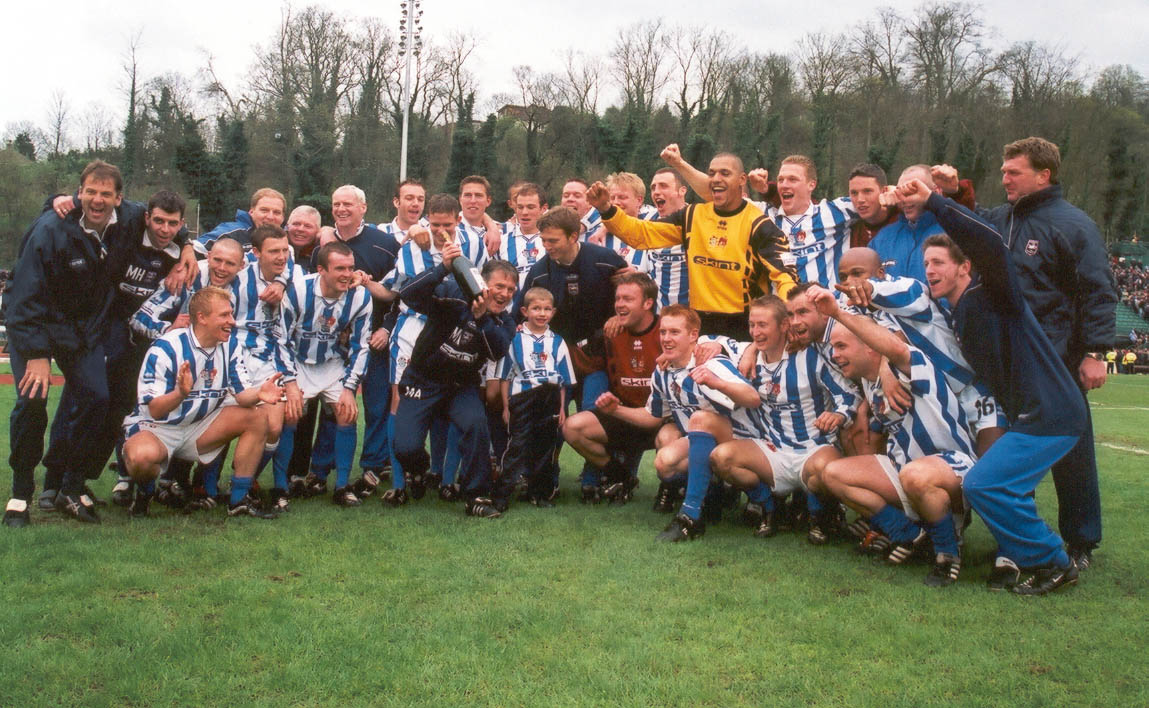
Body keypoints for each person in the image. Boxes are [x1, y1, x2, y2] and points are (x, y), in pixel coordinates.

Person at [895, 178, 1089, 594]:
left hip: (1052, 412)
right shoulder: (959, 312)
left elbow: (990, 244)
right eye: (925, 264)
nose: (929, 271)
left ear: (965, 267)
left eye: (940, 263)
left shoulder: (994, 292)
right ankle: (1034, 559)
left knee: (985, 484)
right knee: (994, 486)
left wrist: (936, 201)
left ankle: (1054, 561)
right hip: (1031, 415)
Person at [933, 138, 1117, 570]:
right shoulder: (1003, 218)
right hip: (1007, 358)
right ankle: (1016, 540)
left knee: (1072, 453)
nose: (1005, 178)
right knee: (1013, 450)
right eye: (1002, 171)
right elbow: (971, 228)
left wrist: (1095, 351)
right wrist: (955, 192)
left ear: (1043, 175)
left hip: (1057, 358)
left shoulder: (1073, 224)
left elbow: (1098, 289)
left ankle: (1080, 542)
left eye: (1013, 172)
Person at [812, 284, 978, 587]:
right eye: (834, 348)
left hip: (955, 469)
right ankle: (909, 534)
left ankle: (947, 554)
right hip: (908, 473)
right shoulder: (871, 381)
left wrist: (836, 312)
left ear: (870, 346)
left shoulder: (912, 363)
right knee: (833, 473)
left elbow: (896, 348)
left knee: (915, 474)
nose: (836, 356)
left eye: (842, 347)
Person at [5, 161, 128, 525]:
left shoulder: (126, 221)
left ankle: (70, 486)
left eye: (106, 193)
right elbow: (23, 299)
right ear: (78, 192)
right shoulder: (49, 229)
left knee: (98, 398)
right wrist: (37, 354)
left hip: (80, 332)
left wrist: (186, 246)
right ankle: (20, 493)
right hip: (34, 326)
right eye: (90, 191)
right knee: (32, 401)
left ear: (119, 198)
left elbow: (162, 217)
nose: (98, 199)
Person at [589, 149, 797, 338]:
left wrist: (790, 319)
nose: (716, 179)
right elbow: (642, 235)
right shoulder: (692, 215)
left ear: (742, 179)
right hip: (699, 323)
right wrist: (607, 209)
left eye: (725, 173)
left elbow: (785, 278)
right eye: (712, 173)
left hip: (743, 326)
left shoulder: (759, 224)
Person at [119, 287, 283, 519]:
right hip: (158, 429)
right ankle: (145, 494)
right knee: (140, 458)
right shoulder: (166, 348)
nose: (232, 322)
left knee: (257, 416)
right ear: (202, 318)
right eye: (224, 315)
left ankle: (239, 501)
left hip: (198, 427)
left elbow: (242, 395)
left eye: (231, 314)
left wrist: (260, 394)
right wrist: (180, 393)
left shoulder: (230, 346)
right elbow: (154, 410)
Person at [711, 295, 858, 542]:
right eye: (751, 325)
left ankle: (820, 514)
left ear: (783, 326)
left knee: (827, 469)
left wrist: (838, 414)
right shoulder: (750, 359)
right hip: (773, 450)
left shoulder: (811, 356)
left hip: (814, 448)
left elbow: (849, 394)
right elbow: (708, 339)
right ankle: (770, 507)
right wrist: (745, 350)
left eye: (762, 325)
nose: (755, 332)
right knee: (721, 458)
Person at [836, 247, 1006, 456]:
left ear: (880, 273)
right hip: (935, 405)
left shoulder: (909, 288)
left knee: (994, 468)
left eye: (857, 273)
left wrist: (885, 369)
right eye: (843, 277)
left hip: (969, 392)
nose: (849, 281)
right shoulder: (856, 309)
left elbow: (896, 337)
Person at [391, 249, 518, 518]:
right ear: (482, 283)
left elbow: (497, 351)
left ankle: (476, 496)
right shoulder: (452, 294)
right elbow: (409, 294)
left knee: (475, 424)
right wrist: (443, 268)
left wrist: (483, 317)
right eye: (499, 286)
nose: (505, 294)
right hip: (423, 380)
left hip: (462, 385)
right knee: (405, 447)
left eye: (511, 289)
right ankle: (418, 470)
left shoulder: (505, 320)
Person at [642, 306, 762, 542]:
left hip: (745, 441)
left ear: (693, 335)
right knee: (664, 463)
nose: (666, 338)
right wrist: (613, 410)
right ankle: (714, 492)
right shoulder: (663, 370)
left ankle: (691, 515)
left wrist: (716, 383)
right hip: (704, 438)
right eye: (663, 332)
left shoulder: (712, 362)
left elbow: (753, 398)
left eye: (674, 332)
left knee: (700, 419)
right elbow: (652, 415)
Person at [273, 242, 373, 507]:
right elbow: (280, 339)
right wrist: (290, 383)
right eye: (339, 268)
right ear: (321, 270)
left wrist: (350, 389)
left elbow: (362, 345)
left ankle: (342, 485)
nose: (347, 274)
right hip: (298, 362)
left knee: (346, 413)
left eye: (351, 268)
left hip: (331, 363)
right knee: (290, 415)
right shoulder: (297, 291)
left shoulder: (360, 296)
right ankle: (281, 487)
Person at [319, 185, 401, 501]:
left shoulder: (385, 245)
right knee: (335, 406)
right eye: (336, 204)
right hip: (337, 345)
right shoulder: (324, 246)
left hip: (377, 339)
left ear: (363, 208)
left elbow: (402, 292)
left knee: (377, 405)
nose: (341, 209)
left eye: (348, 204)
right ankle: (322, 469)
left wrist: (388, 329)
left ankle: (372, 465)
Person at [563, 272, 666, 504]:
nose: (619, 304)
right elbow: (580, 358)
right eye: (618, 299)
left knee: (672, 445)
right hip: (625, 415)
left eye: (628, 299)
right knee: (573, 428)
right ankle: (620, 476)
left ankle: (672, 488)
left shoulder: (667, 331)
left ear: (648, 303)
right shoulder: (611, 333)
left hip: (662, 420)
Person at [519, 207, 627, 412]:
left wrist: (620, 317)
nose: (547, 246)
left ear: (573, 236)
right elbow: (521, 315)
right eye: (544, 240)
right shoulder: (539, 272)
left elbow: (635, 296)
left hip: (599, 357)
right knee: (551, 419)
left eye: (553, 240)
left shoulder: (604, 259)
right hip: (559, 358)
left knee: (591, 412)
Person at [496, 287, 576, 507]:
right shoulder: (516, 340)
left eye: (547, 309)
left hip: (549, 398)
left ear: (553, 312)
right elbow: (505, 377)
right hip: (522, 398)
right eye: (536, 308)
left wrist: (561, 409)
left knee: (545, 447)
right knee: (518, 446)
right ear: (524, 310)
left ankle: (538, 494)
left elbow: (562, 381)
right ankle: (502, 495)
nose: (542, 313)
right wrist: (506, 407)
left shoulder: (558, 342)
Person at [868, 165, 946, 283]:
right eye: (900, 192)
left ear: (936, 192)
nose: (904, 200)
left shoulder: (953, 232)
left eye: (911, 192)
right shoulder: (882, 238)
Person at [644, 168, 690, 311]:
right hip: (659, 315)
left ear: (682, 191)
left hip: (693, 314)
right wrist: (604, 228)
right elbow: (625, 211)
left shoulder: (696, 218)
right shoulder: (648, 219)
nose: (656, 191)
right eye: (653, 187)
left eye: (663, 186)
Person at [195, 187, 287, 255]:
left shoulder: (285, 242)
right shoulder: (232, 232)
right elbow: (195, 247)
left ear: (283, 217)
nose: (270, 217)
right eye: (264, 210)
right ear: (251, 212)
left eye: (276, 212)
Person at [497, 182, 549, 286]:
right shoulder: (501, 241)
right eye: (520, 207)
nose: (524, 212)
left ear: (543, 208)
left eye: (530, 207)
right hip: (514, 302)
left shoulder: (553, 240)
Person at [846, 164, 898, 248]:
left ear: (884, 191)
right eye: (854, 193)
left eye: (867, 191)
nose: (860, 199)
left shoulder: (904, 218)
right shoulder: (847, 228)